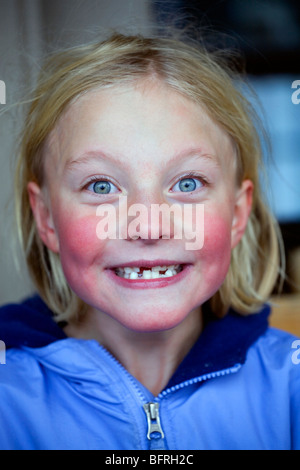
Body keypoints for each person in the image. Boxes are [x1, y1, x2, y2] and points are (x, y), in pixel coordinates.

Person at [0, 32, 299, 450]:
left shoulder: (290, 386)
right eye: (101, 186)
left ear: (237, 213)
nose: (149, 227)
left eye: (188, 182)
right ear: (46, 217)